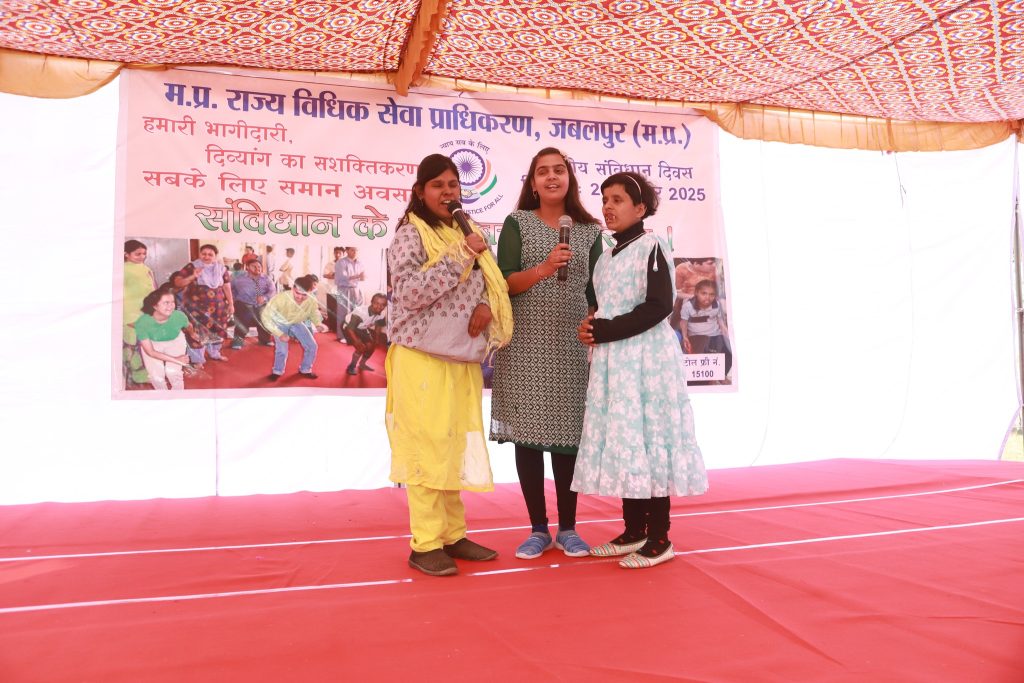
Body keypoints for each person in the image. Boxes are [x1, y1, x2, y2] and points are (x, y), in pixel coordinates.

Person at [386, 153, 513, 577]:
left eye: (453, 184)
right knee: (428, 448)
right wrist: (460, 255)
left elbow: (490, 280)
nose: (447, 192)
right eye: (438, 185)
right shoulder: (411, 234)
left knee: (453, 445)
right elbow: (410, 293)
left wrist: (486, 305)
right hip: (422, 358)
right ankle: (425, 544)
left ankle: (453, 535)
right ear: (420, 191)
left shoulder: (465, 230)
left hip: (461, 356)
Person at [575, 172, 708, 569]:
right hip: (616, 360)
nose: (608, 207)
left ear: (640, 208)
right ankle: (633, 530)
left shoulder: (652, 246)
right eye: (605, 199)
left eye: (617, 200)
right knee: (626, 436)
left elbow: (658, 306)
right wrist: (591, 326)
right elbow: (603, 306)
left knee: (650, 439)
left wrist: (606, 330)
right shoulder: (606, 255)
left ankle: (659, 537)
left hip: (647, 361)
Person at [489, 147, 603, 560]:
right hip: (525, 345)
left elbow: (597, 291)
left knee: (568, 440)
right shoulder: (517, 223)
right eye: (543, 172)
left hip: (571, 346)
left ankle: (568, 528)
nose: (552, 177)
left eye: (559, 170)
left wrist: (596, 318)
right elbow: (504, 283)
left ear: (570, 178)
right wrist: (545, 267)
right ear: (533, 183)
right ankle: (538, 528)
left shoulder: (590, 230)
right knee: (529, 440)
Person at [172, 243, 234, 364]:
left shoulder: (221, 268)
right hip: (197, 309)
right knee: (198, 332)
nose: (206, 257)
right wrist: (193, 276)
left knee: (217, 330)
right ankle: (197, 360)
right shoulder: (192, 266)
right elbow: (178, 282)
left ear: (215, 256)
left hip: (219, 309)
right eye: (203, 254)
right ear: (199, 254)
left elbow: (227, 287)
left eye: (210, 254)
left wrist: (231, 304)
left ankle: (215, 353)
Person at [260, 274, 328, 380]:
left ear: (310, 292)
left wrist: (318, 323)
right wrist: (279, 334)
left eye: (304, 294)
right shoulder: (280, 298)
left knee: (312, 346)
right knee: (282, 350)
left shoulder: (312, 299)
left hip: (297, 322)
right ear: (293, 288)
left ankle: (305, 369)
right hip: (280, 323)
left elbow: (313, 312)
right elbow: (266, 317)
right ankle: (277, 371)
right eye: (297, 293)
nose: (300, 297)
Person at [135, 286, 196, 391]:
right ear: (155, 306)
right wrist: (176, 359)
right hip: (153, 343)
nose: (171, 306)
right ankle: (163, 396)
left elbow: (189, 326)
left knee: (173, 373)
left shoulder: (179, 316)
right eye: (166, 303)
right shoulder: (142, 323)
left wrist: (193, 334)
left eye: (172, 302)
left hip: (175, 341)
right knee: (156, 376)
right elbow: (151, 352)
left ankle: (178, 396)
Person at [680, 278, 733, 379]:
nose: (708, 297)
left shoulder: (716, 305)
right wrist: (685, 337)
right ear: (696, 293)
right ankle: (710, 379)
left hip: (714, 335)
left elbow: (721, 322)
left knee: (728, 351)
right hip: (696, 336)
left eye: (711, 294)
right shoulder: (688, 306)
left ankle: (722, 375)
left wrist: (728, 336)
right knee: (703, 356)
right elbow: (684, 322)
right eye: (704, 293)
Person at [123, 239, 157, 387]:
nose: (142, 257)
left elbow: (153, 290)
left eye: (144, 254)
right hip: (130, 312)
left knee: (145, 344)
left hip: (146, 311)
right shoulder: (122, 270)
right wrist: (127, 317)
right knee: (132, 345)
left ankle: (145, 374)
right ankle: (137, 376)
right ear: (126, 254)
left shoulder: (145, 268)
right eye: (138, 254)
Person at [230, 259, 275, 349]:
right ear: (247, 267)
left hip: (261, 305)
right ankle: (238, 341)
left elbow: (272, 291)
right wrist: (234, 300)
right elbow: (231, 289)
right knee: (242, 323)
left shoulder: (266, 278)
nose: (257, 268)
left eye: (259, 266)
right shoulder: (239, 279)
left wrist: (265, 298)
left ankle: (265, 340)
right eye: (254, 266)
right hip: (243, 304)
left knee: (264, 322)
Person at [344, 292, 387, 375]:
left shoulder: (382, 313)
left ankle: (362, 364)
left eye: (383, 305)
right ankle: (351, 366)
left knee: (371, 346)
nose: (379, 307)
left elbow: (378, 326)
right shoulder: (360, 312)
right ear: (372, 303)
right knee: (361, 347)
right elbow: (350, 328)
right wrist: (357, 341)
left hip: (362, 327)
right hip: (349, 326)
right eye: (376, 303)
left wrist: (376, 339)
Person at [334, 246, 365, 341]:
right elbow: (343, 277)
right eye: (352, 250)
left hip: (356, 289)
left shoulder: (360, 263)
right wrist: (358, 276)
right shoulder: (341, 262)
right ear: (347, 251)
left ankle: (354, 335)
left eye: (356, 250)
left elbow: (362, 277)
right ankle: (342, 336)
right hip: (344, 289)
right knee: (343, 313)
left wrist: (363, 277)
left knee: (357, 312)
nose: (355, 252)